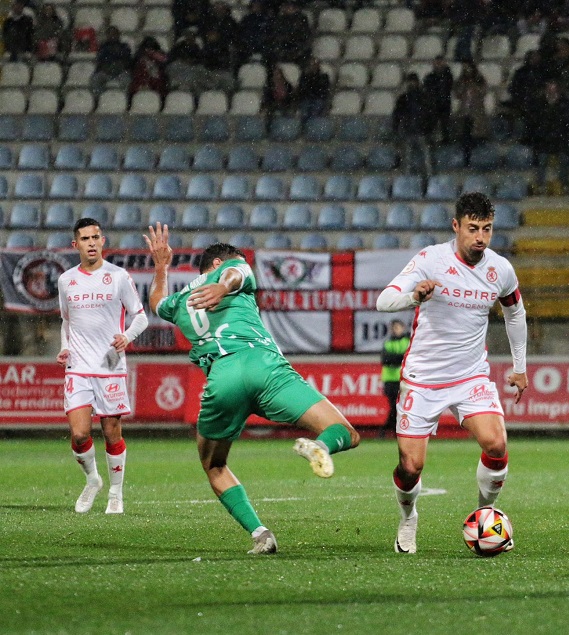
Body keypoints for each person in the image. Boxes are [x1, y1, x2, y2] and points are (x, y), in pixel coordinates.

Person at [144, 225, 360, 554]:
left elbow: (157, 302)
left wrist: (161, 267)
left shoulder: (179, 301)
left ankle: (260, 534)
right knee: (345, 431)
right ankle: (320, 447)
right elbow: (238, 271)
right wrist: (223, 287)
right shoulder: (232, 269)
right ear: (216, 264)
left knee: (214, 466)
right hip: (265, 366)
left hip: (223, 377)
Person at [376, 192, 528, 554]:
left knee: (496, 444)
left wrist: (520, 368)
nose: (480, 237)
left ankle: (483, 514)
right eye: (472, 229)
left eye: (487, 229)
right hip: (422, 379)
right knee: (411, 466)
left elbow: (515, 313)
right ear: (456, 226)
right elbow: (384, 301)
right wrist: (415, 294)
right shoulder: (430, 259)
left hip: (471, 376)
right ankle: (408, 518)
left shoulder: (500, 270)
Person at [56, 218, 149, 515]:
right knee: (80, 434)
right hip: (79, 366)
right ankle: (92, 480)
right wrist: (64, 347)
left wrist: (127, 336)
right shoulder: (66, 280)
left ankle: (116, 492)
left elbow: (141, 316)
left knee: (111, 432)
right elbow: (66, 321)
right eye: (85, 238)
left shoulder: (118, 276)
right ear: (76, 245)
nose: (92, 242)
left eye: (96, 237)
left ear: (103, 241)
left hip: (109, 366)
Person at [379, 319, 410, 438]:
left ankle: (388, 429)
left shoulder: (407, 341)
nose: (396, 330)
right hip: (390, 380)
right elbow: (385, 360)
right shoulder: (388, 343)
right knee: (395, 406)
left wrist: (394, 359)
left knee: (399, 406)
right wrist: (399, 358)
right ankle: (394, 429)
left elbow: (404, 357)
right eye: (394, 328)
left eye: (398, 327)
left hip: (403, 379)